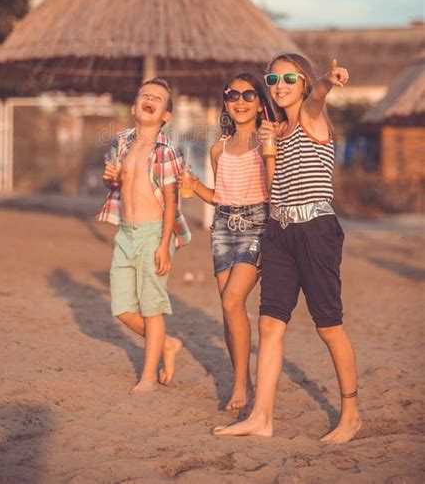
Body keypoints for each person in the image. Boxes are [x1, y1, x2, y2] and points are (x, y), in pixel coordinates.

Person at [214, 54, 362, 444]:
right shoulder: (276, 131)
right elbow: (274, 184)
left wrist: (328, 80)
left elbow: (319, 97)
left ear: (303, 83)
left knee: (328, 326)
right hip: (278, 232)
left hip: (315, 229)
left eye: (288, 78)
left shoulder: (312, 116)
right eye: (273, 78)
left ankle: (351, 414)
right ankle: (261, 417)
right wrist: (268, 148)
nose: (279, 84)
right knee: (269, 323)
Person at [180, 73, 273, 412]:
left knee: (234, 301)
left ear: (261, 104)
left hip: (257, 227)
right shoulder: (218, 148)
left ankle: (239, 386)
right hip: (223, 228)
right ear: (225, 101)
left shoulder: (268, 142)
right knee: (228, 307)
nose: (241, 101)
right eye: (233, 95)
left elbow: (274, 188)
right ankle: (243, 380)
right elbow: (219, 196)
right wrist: (191, 184)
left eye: (249, 95)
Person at [98, 78, 190, 394]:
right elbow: (118, 185)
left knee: (152, 308)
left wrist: (165, 244)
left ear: (166, 114)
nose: (150, 100)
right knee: (122, 308)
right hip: (126, 233)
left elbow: (172, 201)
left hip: (154, 234)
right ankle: (166, 344)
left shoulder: (166, 150)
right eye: (144, 96)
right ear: (135, 107)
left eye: (158, 98)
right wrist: (111, 180)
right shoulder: (121, 143)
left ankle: (148, 375)